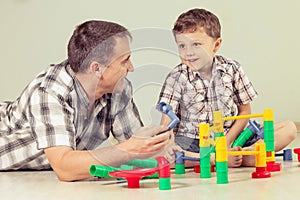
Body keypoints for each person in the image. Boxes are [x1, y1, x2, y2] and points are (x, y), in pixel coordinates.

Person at [0, 20, 176, 181]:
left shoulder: (118, 88)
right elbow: (65, 167)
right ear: (97, 68)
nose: (131, 68)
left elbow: (138, 150)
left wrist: (178, 150)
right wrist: (129, 149)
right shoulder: (50, 92)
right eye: (125, 60)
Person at [157, 8, 297, 167]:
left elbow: (245, 112)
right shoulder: (176, 77)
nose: (188, 53)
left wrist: (227, 143)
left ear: (216, 45)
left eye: (196, 44)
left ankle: (243, 154)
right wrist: (168, 144)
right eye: (182, 46)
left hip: (233, 137)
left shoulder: (232, 69)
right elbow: (166, 123)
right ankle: (221, 159)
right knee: (165, 155)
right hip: (193, 142)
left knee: (289, 128)